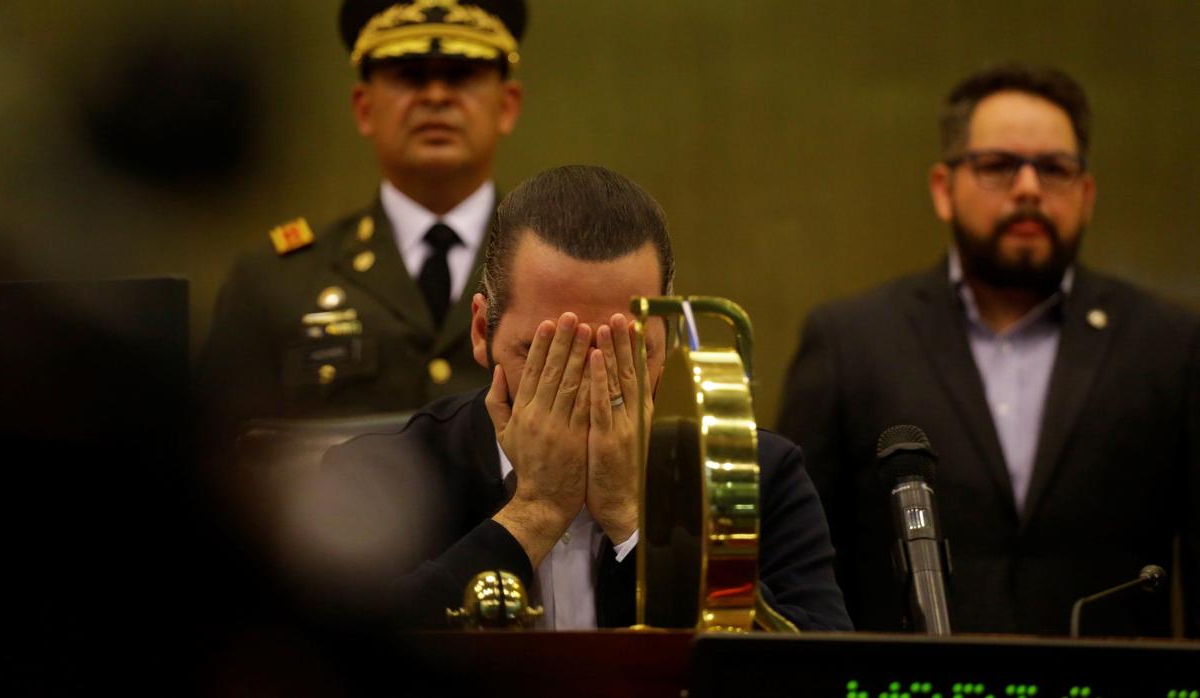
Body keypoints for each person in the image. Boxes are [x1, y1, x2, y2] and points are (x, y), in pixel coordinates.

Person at [323, 165, 852, 630]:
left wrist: (633, 518)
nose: (587, 387)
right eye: (549, 354)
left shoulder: (755, 477)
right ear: (483, 331)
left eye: (625, 354)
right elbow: (330, 666)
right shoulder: (386, 477)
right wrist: (535, 510)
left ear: (664, 347)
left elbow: (812, 675)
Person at [778, 64, 1199, 637]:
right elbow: (795, 565)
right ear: (943, 190)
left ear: (1087, 194)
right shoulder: (850, 341)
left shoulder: (1169, 344)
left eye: (1054, 169)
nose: (1029, 188)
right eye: (998, 166)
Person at [198, 0, 527, 440]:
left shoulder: (555, 270)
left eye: (461, 75)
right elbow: (219, 462)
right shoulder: (274, 280)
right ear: (363, 108)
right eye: (408, 75)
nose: (435, 96)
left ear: (507, 106)